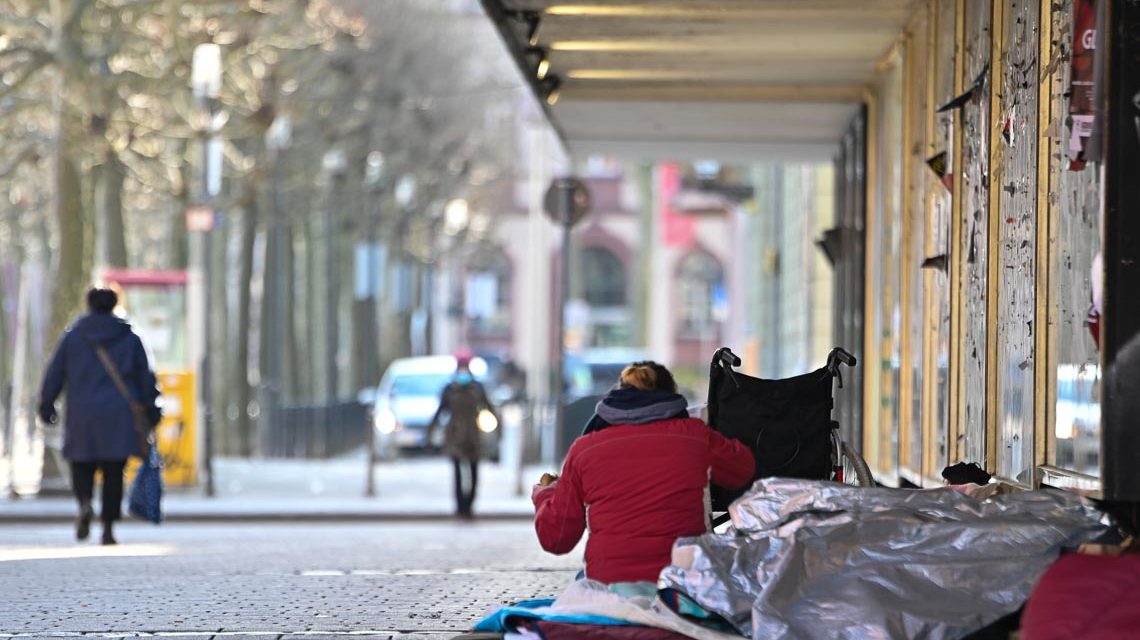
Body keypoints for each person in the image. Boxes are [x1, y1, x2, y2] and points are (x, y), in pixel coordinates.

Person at [531, 361, 754, 584]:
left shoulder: (584, 449)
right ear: (672, 396)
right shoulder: (695, 436)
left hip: (610, 583)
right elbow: (742, 470)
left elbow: (557, 539)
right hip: (681, 582)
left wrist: (545, 494)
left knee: (583, 578)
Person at [38, 288, 161, 545]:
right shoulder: (130, 337)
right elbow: (146, 377)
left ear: (89, 304)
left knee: (81, 464)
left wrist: (47, 404)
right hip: (119, 415)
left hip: (81, 414)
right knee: (114, 471)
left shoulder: (73, 337)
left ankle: (84, 503)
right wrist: (152, 410)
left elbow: (55, 372)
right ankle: (107, 529)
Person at [426, 354, 499, 519]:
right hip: (455, 435)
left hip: (473, 435)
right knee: (458, 471)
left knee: (474, 471)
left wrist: (498, 431)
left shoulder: (477, 388)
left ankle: (469, 504)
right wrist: (430, 433)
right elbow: (440, 411)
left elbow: (488, 408)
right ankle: (460, 506)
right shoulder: (450, 389)